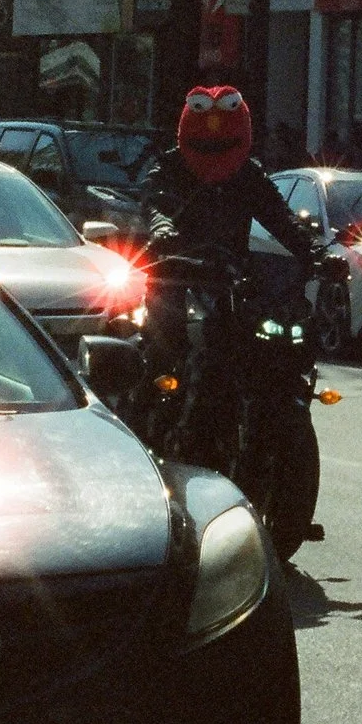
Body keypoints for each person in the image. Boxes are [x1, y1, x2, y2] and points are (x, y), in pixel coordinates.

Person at [139, 86, 323, 459]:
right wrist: (163, 232)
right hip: (175, 275)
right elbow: (154, 201)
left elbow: (281, 218)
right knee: (161, 354)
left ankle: (247, 426)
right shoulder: (170, 168)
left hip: (230, 280)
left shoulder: (248, 174)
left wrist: (315, 252)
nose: (215, 148)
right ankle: (143, 441)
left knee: (259, 343)